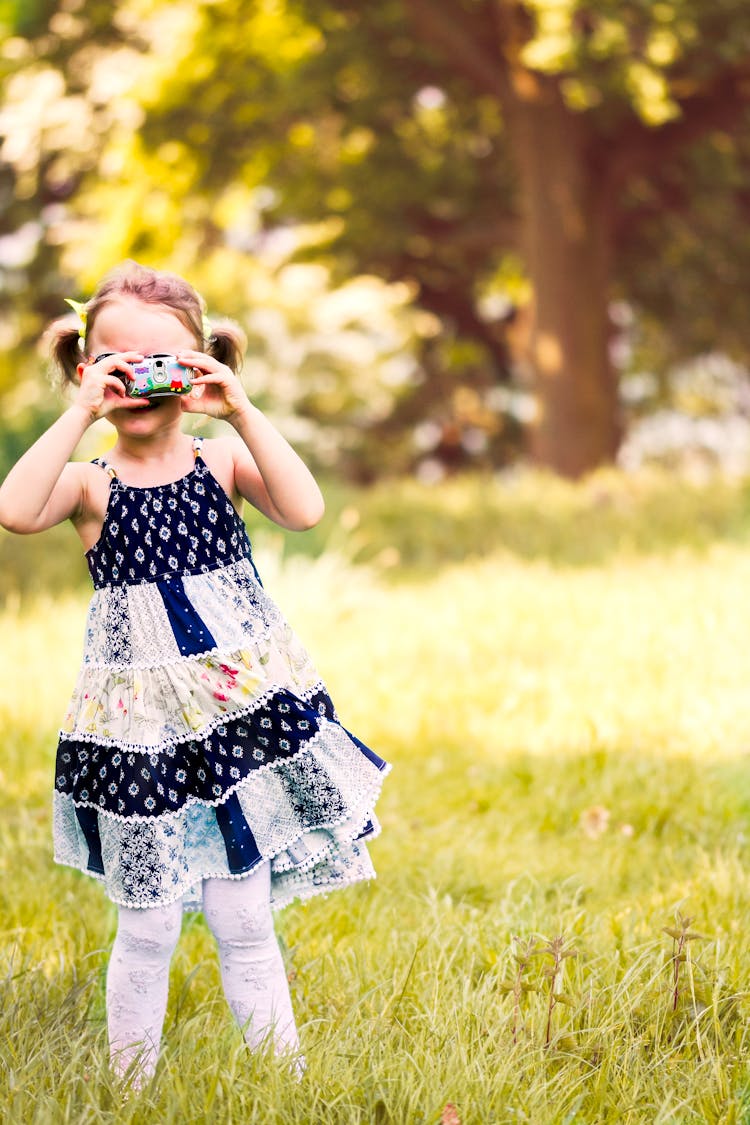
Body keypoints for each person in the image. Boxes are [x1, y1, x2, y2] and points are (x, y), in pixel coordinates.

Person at [0, 261, 390, 1085]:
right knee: (146, 928)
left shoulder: (219, 464)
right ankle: (129, 1089)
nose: (142, 381)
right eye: (119, 363)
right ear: (86, 369)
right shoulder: (89, 484)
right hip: (141, 731)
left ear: (201, 365)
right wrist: (78, 413)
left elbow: (305, 509)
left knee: (244, 916)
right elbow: (14, 507)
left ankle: (284, 1086)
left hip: (237, 723)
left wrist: (241, 409)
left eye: (161, 362)